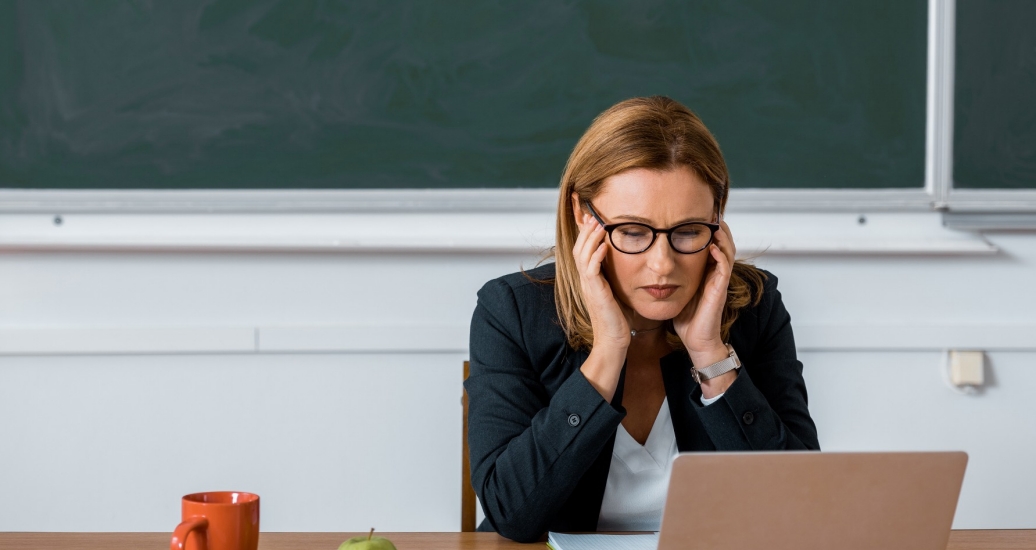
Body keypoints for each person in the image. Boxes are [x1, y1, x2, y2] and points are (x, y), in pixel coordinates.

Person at [465, 96, 819, 543]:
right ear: (582, 216)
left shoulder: (754, 307)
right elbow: (512, 516)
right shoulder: (512, 311)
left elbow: (796, 506)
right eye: (633, 232)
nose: (662, 265)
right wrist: (608, 353)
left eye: (688, 231)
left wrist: (711, 356)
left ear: (717, 217)